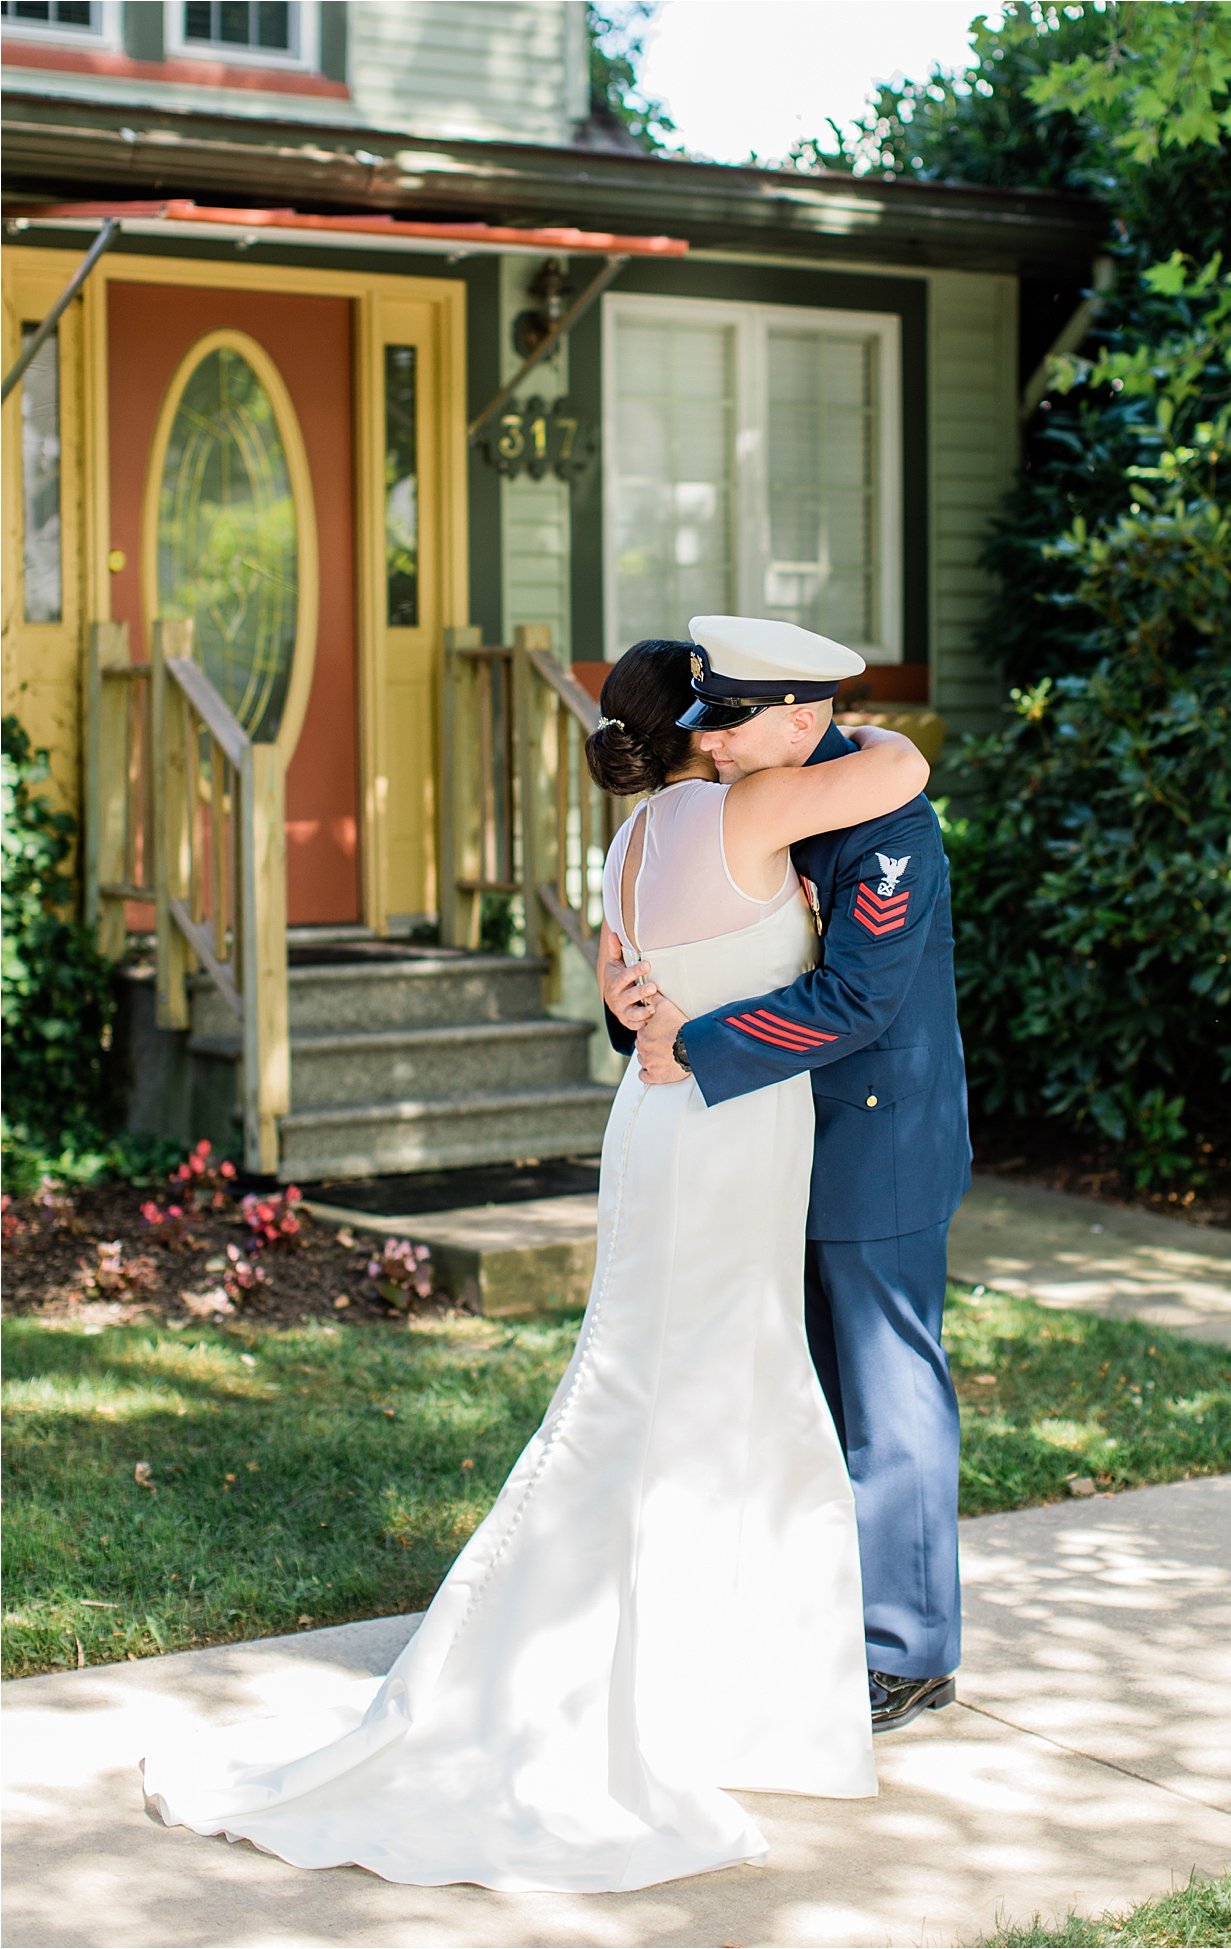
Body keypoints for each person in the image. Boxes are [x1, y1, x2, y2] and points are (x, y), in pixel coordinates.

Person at [141, 634, 930, 1894]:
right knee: (698, 1389)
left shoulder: (629, 840)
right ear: (702, 721)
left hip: (659, 1123)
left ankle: (691, 1679)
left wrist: (663, 1007)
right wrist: (835, 721)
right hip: (726, 1130)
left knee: (657, 1382)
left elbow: (628, 994)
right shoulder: (750, 809)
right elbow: (898, 766)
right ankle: (663, 1690)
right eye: (720, 707)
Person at [606, 616, 971, 1736]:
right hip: (769, 1140)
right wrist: (636, 1010)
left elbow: (857, 999)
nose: (709, 742)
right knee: (802, 1386)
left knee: (887, 1392)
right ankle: (816, 1618)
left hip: (876, 1137)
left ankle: (907, 1650)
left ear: (803, 719)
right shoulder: (754, 799)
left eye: (729, 722)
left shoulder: (888, 822)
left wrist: (693, 1044)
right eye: (705, 720)